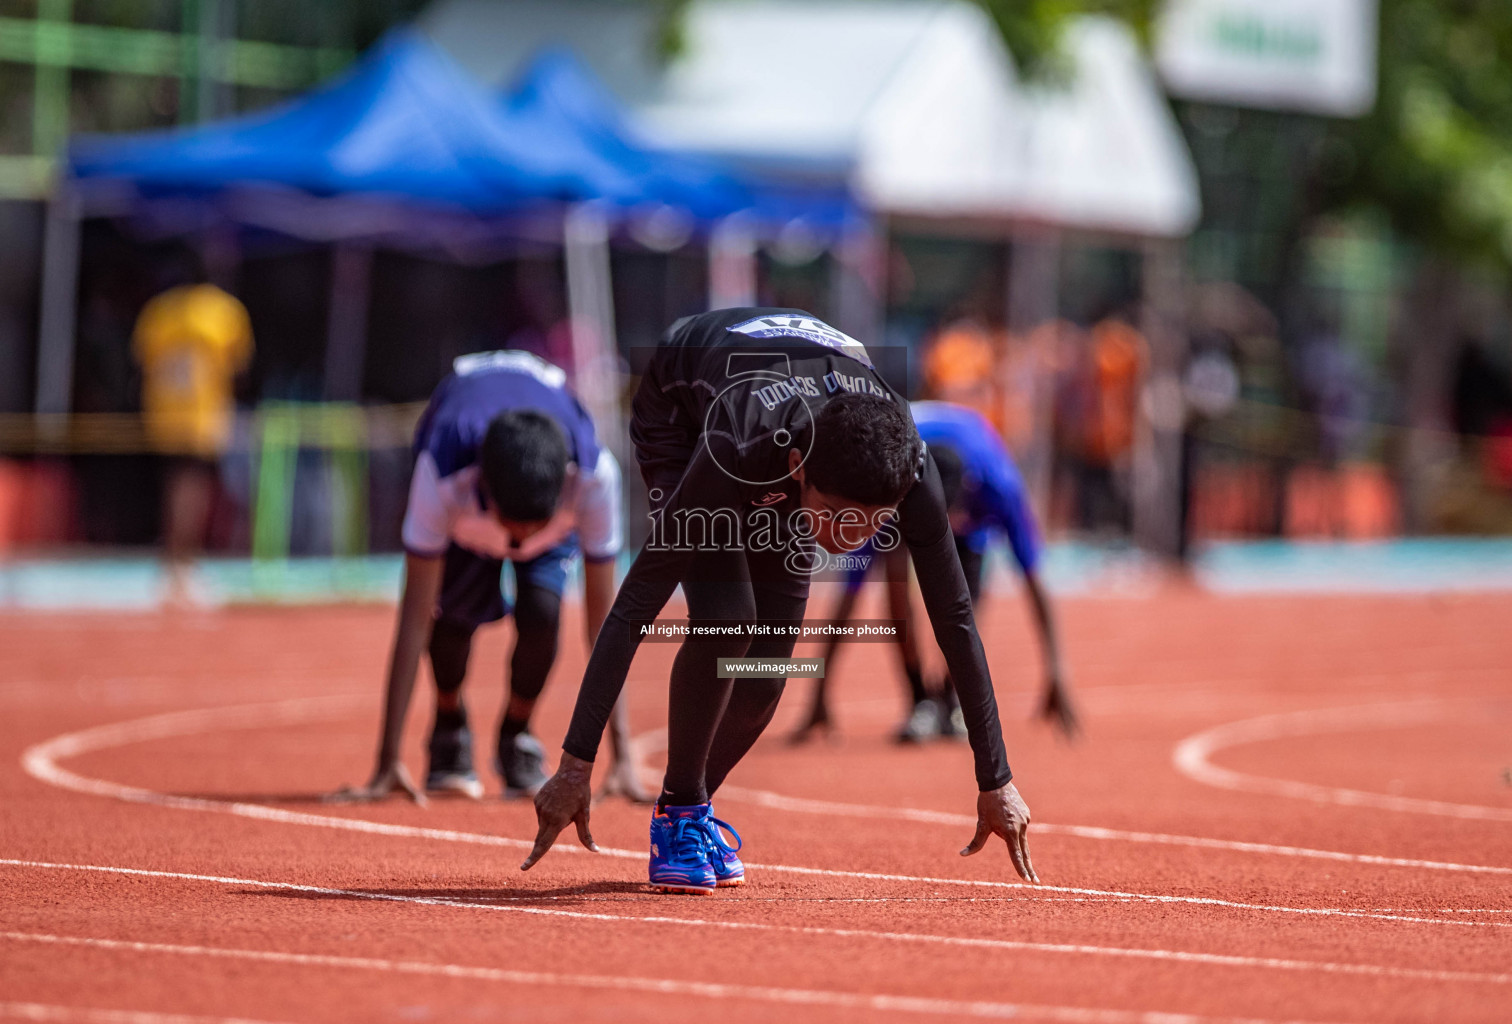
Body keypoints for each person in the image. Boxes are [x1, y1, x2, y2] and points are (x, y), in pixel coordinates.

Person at [519, 308, 1043, 893]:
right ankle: (683, 821)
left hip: (798, 417)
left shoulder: (910, 466)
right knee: (727, 619)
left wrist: (995, 779)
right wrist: (574, 764)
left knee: (768, 671)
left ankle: (682, 805)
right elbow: (637, 600)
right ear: (799, 471)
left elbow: (955, 617)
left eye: (874, 524)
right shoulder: (738, 443)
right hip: (685, 410)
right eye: (838, 517)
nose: (852, 538)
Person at [333, 350, 647, 805]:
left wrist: (623, 756)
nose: (516, 542)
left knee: (543, 615)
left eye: (531, 528)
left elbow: (607, 625)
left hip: (532, 504)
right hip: (467, 520)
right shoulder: (442, 473)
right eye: (511, 526)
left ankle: (517, 735)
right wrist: (387, 760)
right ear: (484, 489)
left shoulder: (595, 478)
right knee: (451, 620)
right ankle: (448, 730)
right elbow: (414, 615)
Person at [791, 400, 1076, 745]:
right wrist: (819, 694)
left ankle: (951, 697)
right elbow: (851, 594)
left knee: (966, 595)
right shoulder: (884, 488)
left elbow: (1034, 578)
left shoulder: (998, 486)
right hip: (898, 464)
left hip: (960, 462)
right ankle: (920, 699)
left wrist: (1056, 671)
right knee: (894, 581)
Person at [131, 281, 253, 603]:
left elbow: (141, 358)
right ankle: (181, 562)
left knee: (174, 485)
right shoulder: (220, 309)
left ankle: (175, 562)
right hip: (201, 414)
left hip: (163, 412)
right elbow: (240, 364)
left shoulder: (158, 309)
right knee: (192, 488)